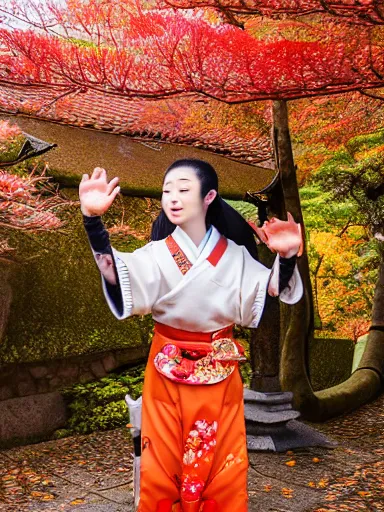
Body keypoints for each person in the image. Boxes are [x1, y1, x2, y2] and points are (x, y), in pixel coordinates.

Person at [79, 159, 303, 512]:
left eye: (184, 190)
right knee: (162, 458)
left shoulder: (234, 257)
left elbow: (271, 289)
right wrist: (93, 223)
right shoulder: (155, 255)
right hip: (166, 367)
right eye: (167, 190)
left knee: (224, 457)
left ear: (209, 196)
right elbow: (113, 272)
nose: (173, 198)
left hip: (220, 366)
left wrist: (287, 255)